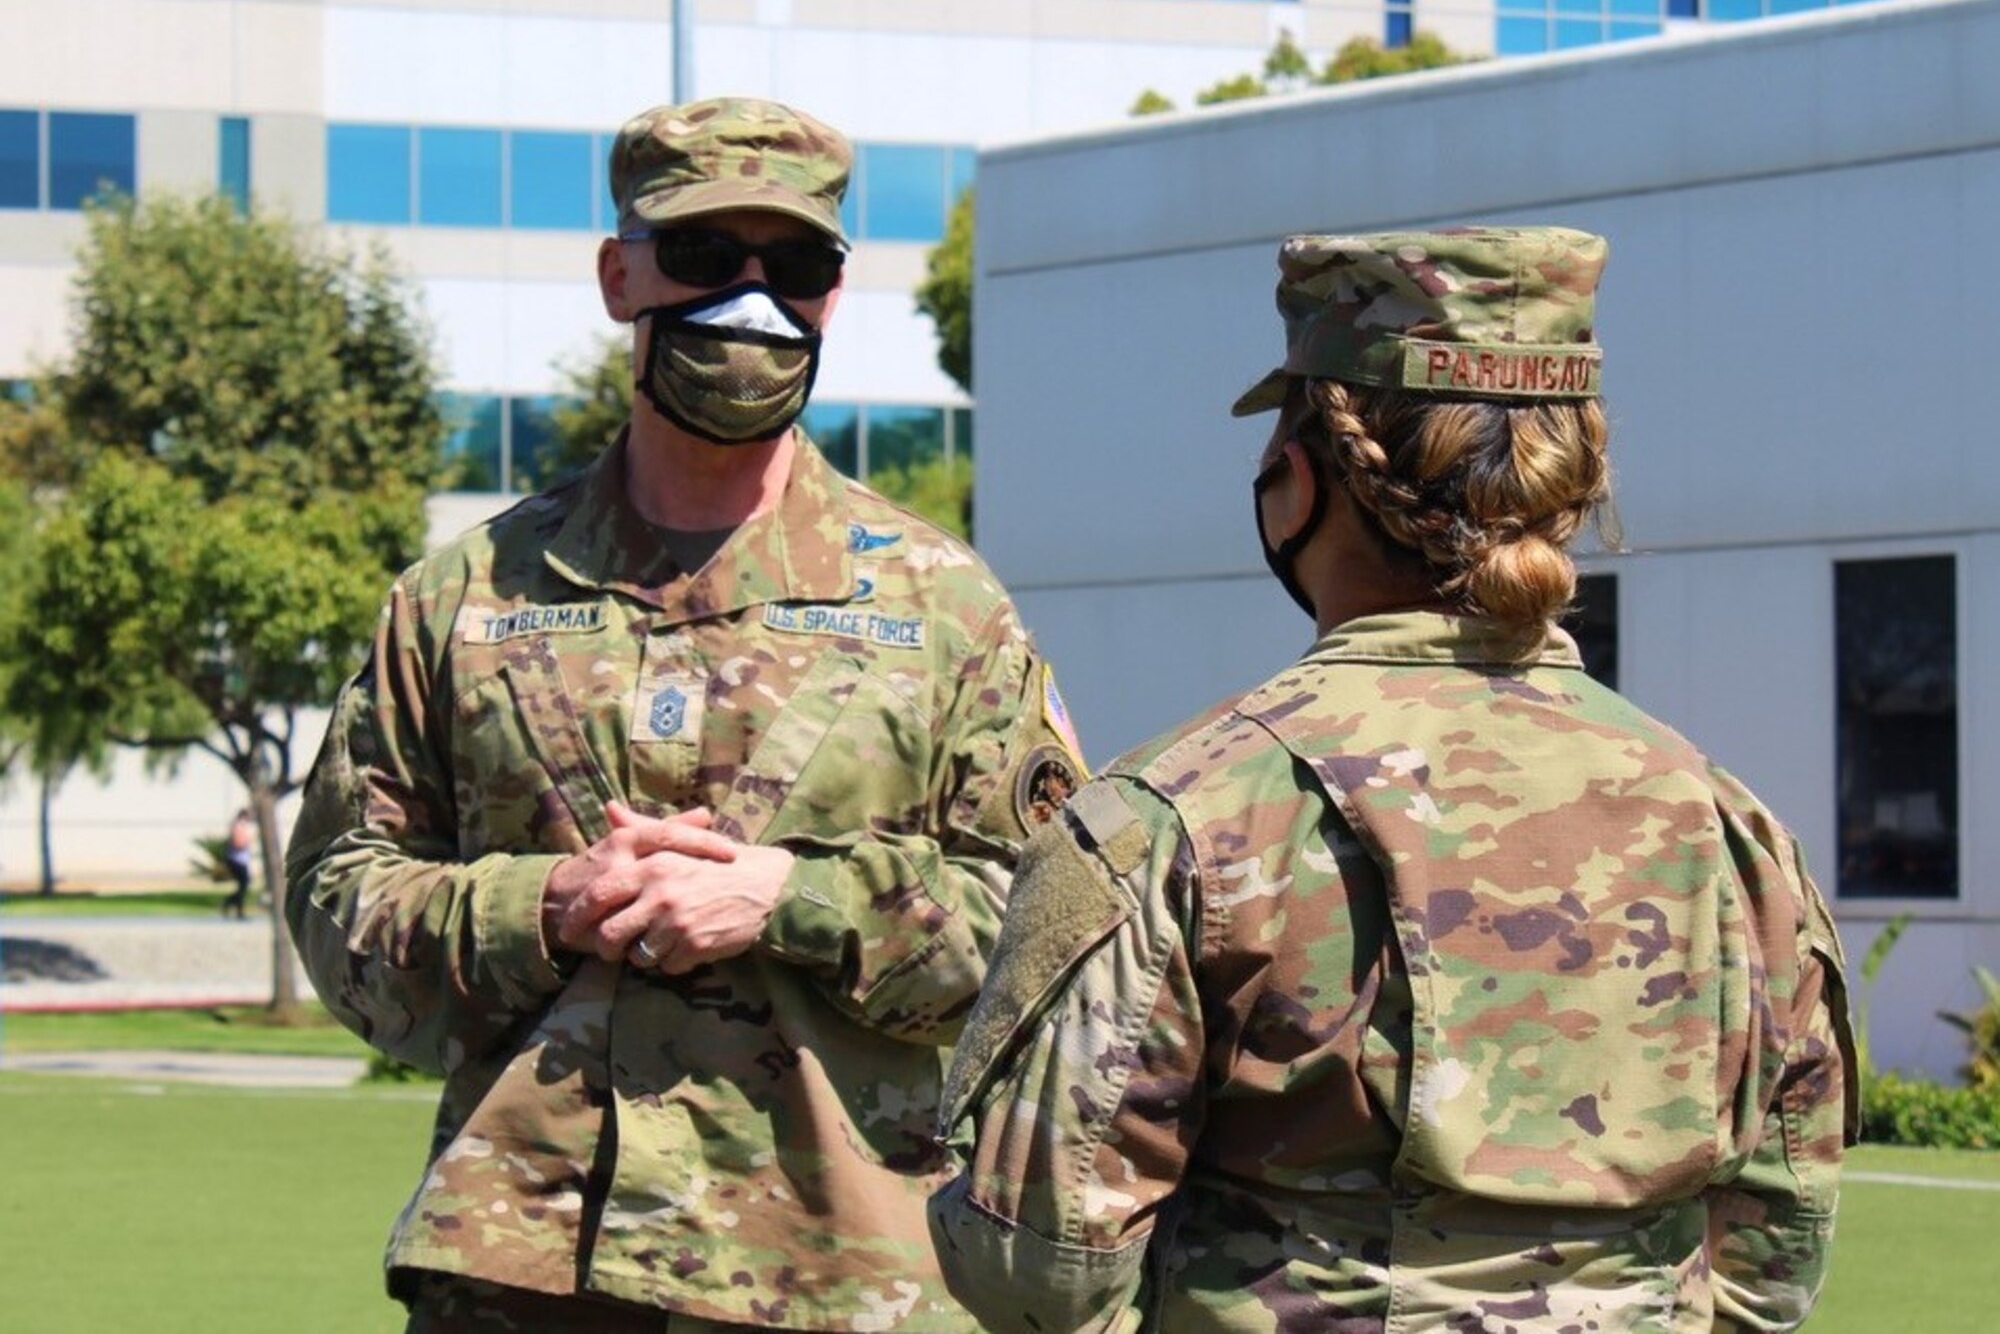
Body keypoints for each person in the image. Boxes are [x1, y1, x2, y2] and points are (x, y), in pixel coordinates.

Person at [929, 228, 1858, 1333]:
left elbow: (1036, 1268)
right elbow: (1772, 1262)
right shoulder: (1732, 831)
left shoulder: (1175, 820)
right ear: (1569, 485)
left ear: (1298, 480)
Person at [286, 96, 1086, 1333]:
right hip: (524, 1268)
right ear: (620, 276)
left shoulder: (941, 606)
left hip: (838, 1280)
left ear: (833, 294)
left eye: (798, 265)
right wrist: (538, 906)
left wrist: (793, 899)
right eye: (706, 258)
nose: (751, 301)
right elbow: (339, 899)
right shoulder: (465, 597)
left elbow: (1051, 935)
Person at [220, 807, 254, 920]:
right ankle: (234, 908)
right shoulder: (239, 825)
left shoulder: (242, 826)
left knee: (243, 886)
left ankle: (232, 905)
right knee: (244, 885)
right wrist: (246, 842)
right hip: (237, 859)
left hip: (241, 860)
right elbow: (238, 843)